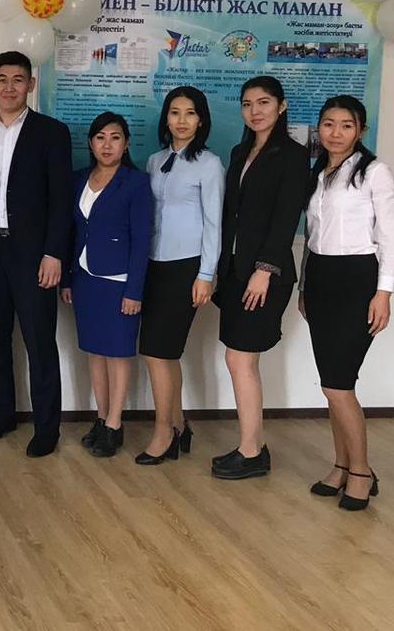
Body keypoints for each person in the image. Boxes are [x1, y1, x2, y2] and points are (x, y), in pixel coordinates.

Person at [0, 51, 73, 457]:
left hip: (34, 255)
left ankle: (47, 429)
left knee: (40, 343)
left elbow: (60, 200)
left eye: (18, 79)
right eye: (2, 79)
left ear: (31, 85)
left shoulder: (52, 133)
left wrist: (54, 253)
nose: (9, 87)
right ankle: (2, 415)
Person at [299, 96, 394, 510]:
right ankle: (341, 465)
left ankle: (361, 472)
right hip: (321, 277)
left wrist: (383, 292)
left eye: (346, 125)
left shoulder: (375, 172)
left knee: (338, 385)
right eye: (328, 124)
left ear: (361, 130)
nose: (335, 133)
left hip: (358, 280)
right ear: (319, 129)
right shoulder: (318, 173)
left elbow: (390, 236)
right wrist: (304, 286)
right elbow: (311, 235)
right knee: (332, 383)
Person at [212, 76, 309, 481]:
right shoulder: (240, 152)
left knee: (240, 358)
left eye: (264, 102)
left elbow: (286, 217)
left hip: (264, 274)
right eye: (247, 103)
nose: (255, 111)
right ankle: (252, 446)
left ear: (281, 106)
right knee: (238, 358)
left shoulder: (293, 155)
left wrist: (264, 270)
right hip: (235, 270)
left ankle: (252, 451)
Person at [137, 87, 223, 464]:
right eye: (175, 112)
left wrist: (206, 274)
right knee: (165, 354)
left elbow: (214, 223)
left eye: (190, 113)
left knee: (157, 352)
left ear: (201, 120)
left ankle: (164, 432)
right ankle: (179, 425)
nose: (182, 120)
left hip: (186, 267)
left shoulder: (209, 164)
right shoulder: (155, 161)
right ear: (166, 118)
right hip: (153, 265)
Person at [60, 113, 152, 458]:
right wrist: (67, 278)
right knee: (95, 351)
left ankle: (115, 423)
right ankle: (100, 418)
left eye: (115, 137)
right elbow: (71, 232)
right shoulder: (78, 179)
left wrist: (134, 290)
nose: (107, 145)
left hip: (119, 281)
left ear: (126, 144)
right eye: (100, 137)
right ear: (91, 143)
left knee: (118, 352)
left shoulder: (136, 182)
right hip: (85, 278)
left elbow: (142, 240)